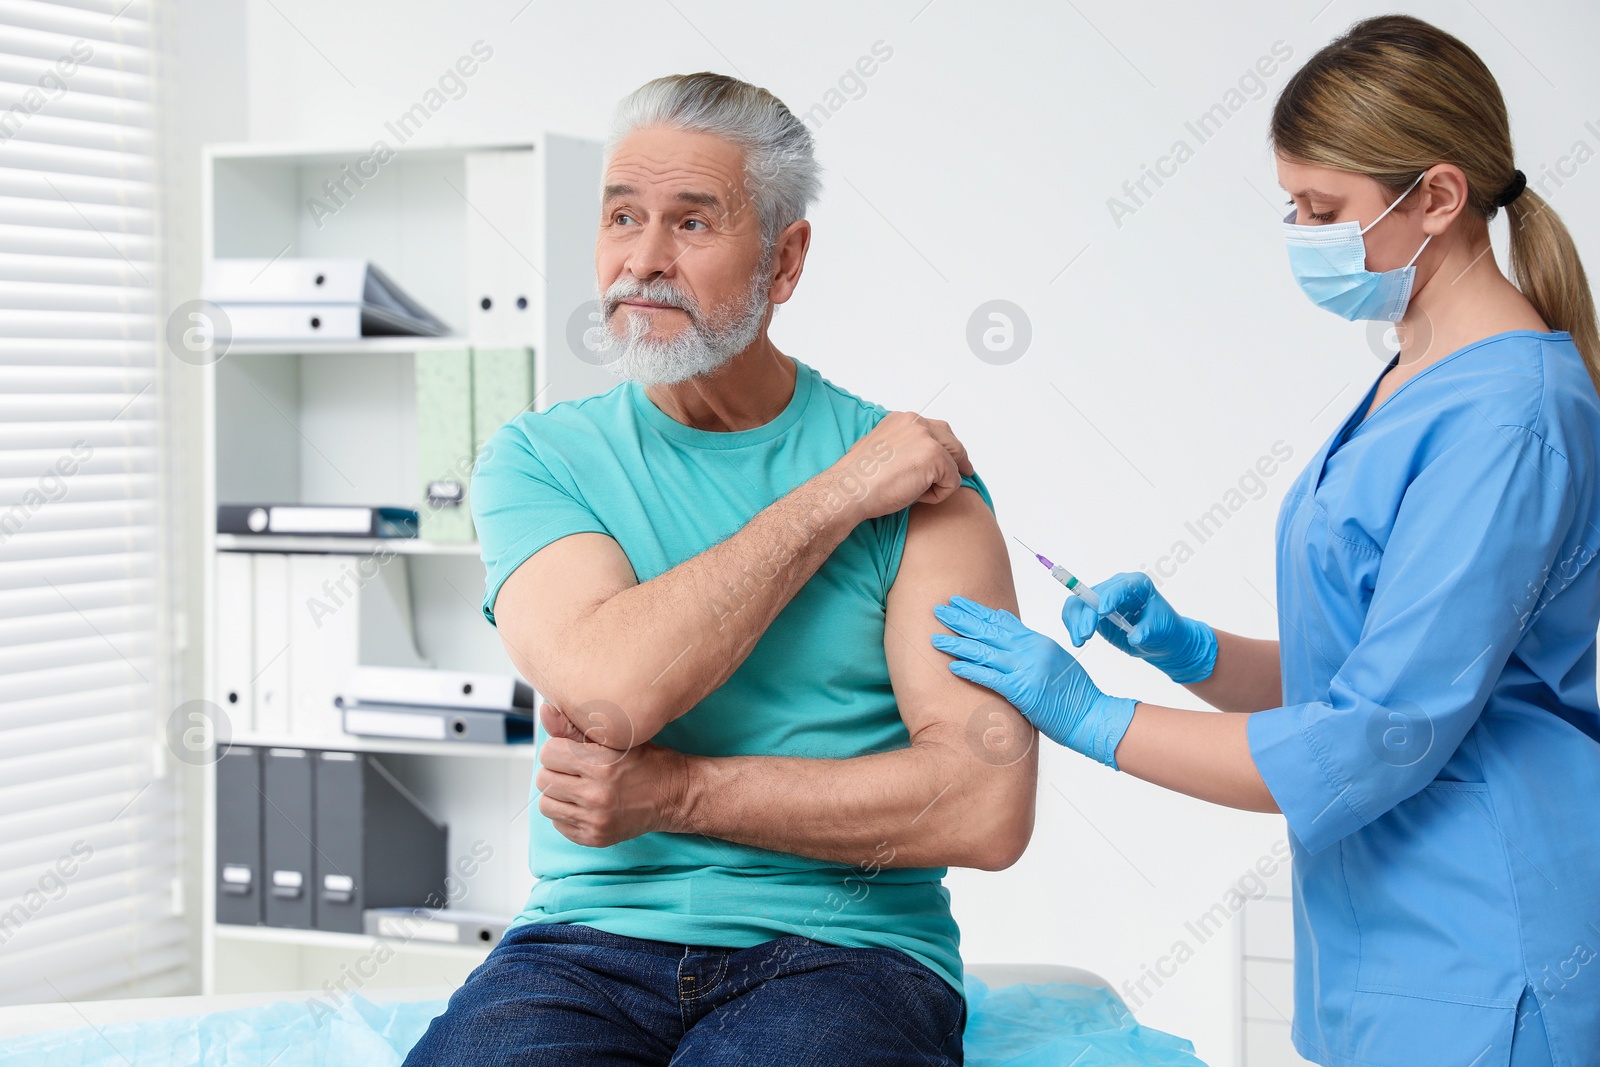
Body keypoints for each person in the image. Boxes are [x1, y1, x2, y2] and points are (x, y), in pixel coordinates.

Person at [933, 15, 1600, 1067]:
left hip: (1488, 937)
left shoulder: (1508, 413)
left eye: (1323, 208)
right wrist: (1190, 652)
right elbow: (1373, 671)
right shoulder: (1409, 379)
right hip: (1385, 937)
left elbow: (1375, 731)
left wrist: (1091, 715)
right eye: (1291, 203)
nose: (1299, 231)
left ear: (1436, 195)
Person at [403, 73, 1035, 1066]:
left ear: (784, 262)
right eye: (622, 217)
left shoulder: (924, 486)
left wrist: (675, 796)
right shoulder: (538, 461)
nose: (642, 262)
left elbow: (983, 802)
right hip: (582, 950)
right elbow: (612, 693)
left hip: (848, 954)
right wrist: (832, 498)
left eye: (692, 224)